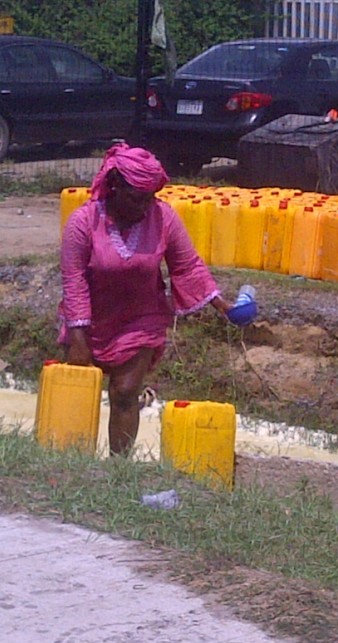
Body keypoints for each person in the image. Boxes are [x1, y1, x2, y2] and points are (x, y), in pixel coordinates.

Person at [59, 142, 244, 456]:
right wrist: (77, 334)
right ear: (114, 186)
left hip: (141, 317)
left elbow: (187, 265)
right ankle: (71, 462)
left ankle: (118, 469)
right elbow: (73, 280)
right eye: (136, 199)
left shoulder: (163, 218)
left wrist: (221, 304)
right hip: (92, 317)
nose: (144, 207)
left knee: (124, 392)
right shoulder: (83, 223)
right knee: (79, 392)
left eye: (149, 199)